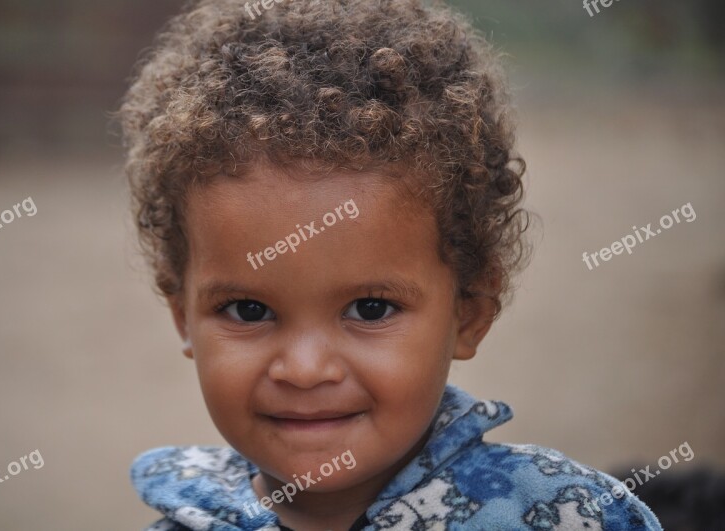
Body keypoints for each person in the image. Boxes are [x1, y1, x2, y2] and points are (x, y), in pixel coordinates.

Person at [119, 0, 662, 529]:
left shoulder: (569, 514)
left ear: (470, 311)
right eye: (247, 309)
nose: (306, 371)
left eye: (370, 307)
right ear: (183, 317)